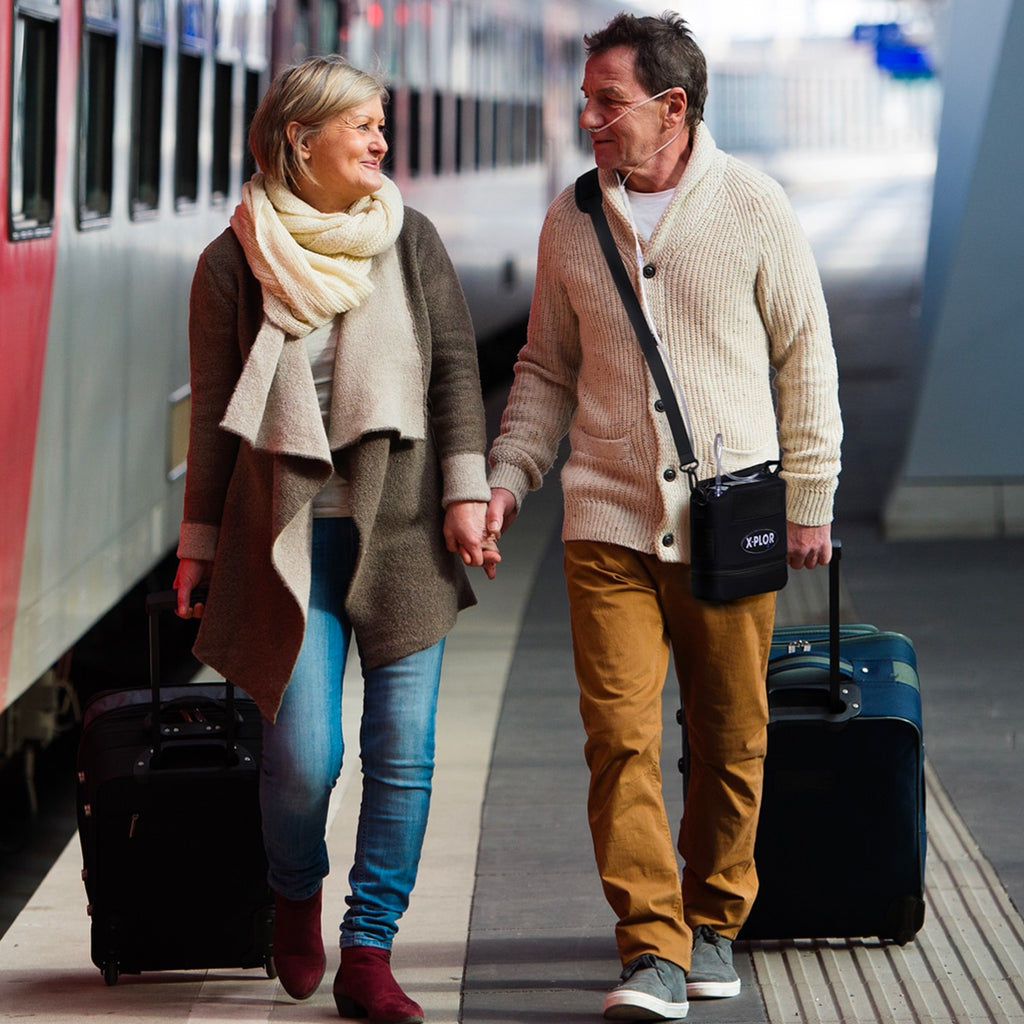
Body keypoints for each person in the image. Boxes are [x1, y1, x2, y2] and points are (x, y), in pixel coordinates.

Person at [487, 12, 842, 1022]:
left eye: (609, 101)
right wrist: (510, 475)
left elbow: (803, 359)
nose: (587, 118)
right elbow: (548, 368)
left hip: (729, 519)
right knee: (620, 736)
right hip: (604, 518)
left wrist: (809, 496)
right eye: (587, 99)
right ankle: (651, 942)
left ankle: (716, 919)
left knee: (731, 732)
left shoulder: (752, 207)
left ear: (671, 107)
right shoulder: (570, 220)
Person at [173, 55, 498, 1023]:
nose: (380, 142)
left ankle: (370, 948)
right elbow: (211, 425)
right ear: (297, 139)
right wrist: (197, 545)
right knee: (304, 756)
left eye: (380, 124)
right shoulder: (232, 262)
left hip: (400, 527)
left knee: (402, 748)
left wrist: (464, 494)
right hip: (282, 538)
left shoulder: (410, 242)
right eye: (361, 125)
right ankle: (291, 887)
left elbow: (452, 377)